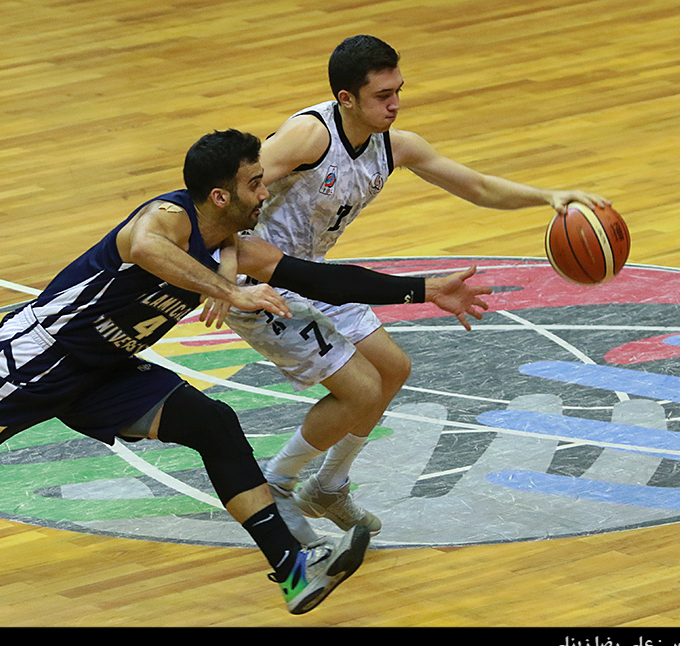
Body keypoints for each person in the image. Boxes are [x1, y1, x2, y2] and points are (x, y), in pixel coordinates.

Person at [0, 129, 489, 615]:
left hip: (109, 368)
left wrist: (425, 290)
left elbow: (326, 280)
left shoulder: (242, 245)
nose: (273, 189)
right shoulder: (167, 219)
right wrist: (224, 291)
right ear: (221, 193)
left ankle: (290, 565)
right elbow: (142, 250)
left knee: (214, 422)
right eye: (258, 182)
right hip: (37, 359)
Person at [223, 35, 611, 542]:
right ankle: (277, 483)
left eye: (398, 91)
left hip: (311, 273)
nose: (395, 104)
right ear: (346, 99)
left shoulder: (396, 146)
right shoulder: (308, 137)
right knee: (359, 390)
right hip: (260, 282)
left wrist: (549, 197)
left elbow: (477, 186)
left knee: (392, 369)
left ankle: (328, 486)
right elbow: (230, 192)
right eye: (383, 95)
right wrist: (220, 270)